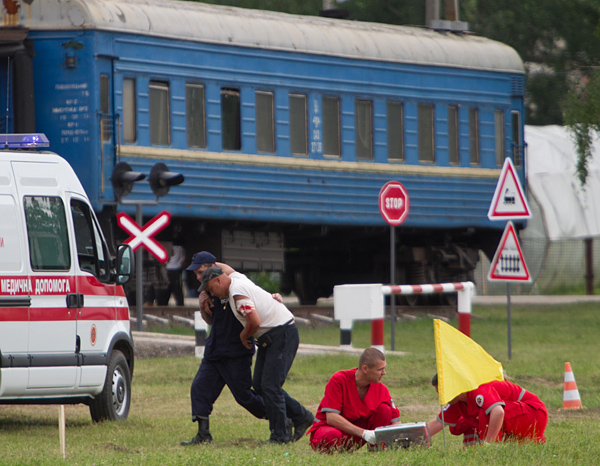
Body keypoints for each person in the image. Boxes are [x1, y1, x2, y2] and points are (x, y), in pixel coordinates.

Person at [200, 266, 314, 444]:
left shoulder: (237, 293)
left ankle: (280, 436)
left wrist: (243, 335)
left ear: (218, 281)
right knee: (259, 385)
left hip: (282, 334)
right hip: (270, 338)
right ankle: (302, 416)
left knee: (270, 385)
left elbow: (255, 320)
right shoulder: (237, 279)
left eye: (210, 289)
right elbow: (225, 268)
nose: (211, 293)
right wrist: (211, 263)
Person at [180, 252, 267, 445]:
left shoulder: (235, 283)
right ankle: (203, 434)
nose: (198, 277)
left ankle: (280, 419)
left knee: (245, 397)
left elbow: (256, 305)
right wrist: (203, 303)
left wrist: (274, 297)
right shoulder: (208, 288)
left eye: (200, 272)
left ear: (214, 268)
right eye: (196, 273)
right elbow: (211, 319)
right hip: (215, 350)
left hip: (236, 351)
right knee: (199, 388)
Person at [307, 347, 401, 453]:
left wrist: (404, 438)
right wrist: (364, 433)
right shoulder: (339, 380)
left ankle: (376, 452)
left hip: (354, 435)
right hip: (329, 431)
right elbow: (331, 418)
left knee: (385, 410)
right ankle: (336, 453)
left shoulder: (381, 389)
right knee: (332, 435)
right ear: (365, 369)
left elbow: (395, 421)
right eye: (380, 369)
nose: (384, 373)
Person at [426, 374, 548, 445]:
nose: (441, 398)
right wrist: (411, 439)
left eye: (442, 392)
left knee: (486, 414)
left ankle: (491, 450)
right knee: (458, 426)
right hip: (521, 421)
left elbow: (498, 411)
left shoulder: (478, 389)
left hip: (535, 413)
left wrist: (488, 446)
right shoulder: (457, 402)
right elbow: (437, 423)